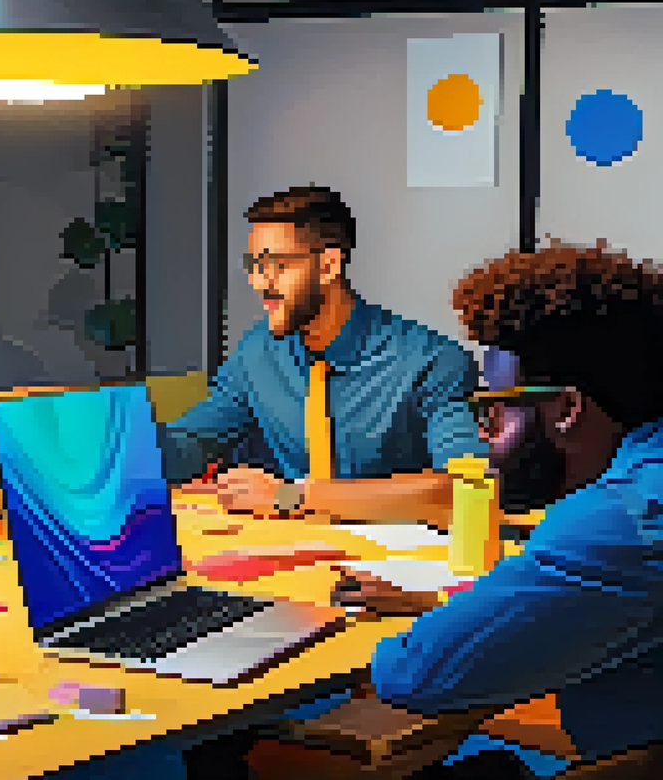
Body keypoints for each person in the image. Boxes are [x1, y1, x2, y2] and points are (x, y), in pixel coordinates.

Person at [335, 241, 663, 773]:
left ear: (566, 409)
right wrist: (446, 604)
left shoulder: (618, 524)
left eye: (495, 414)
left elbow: (413, 674)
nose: (485, 440)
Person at [165, 185, 487, 526]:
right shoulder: (256, 354)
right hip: (291, 559)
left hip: (392, 564)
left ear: (329, 265)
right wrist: (119, 445)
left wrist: (290, 496)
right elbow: (193, 442)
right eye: (254, 265)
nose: (261, 282)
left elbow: (464, 491)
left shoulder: (431, 361)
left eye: (277, 264)